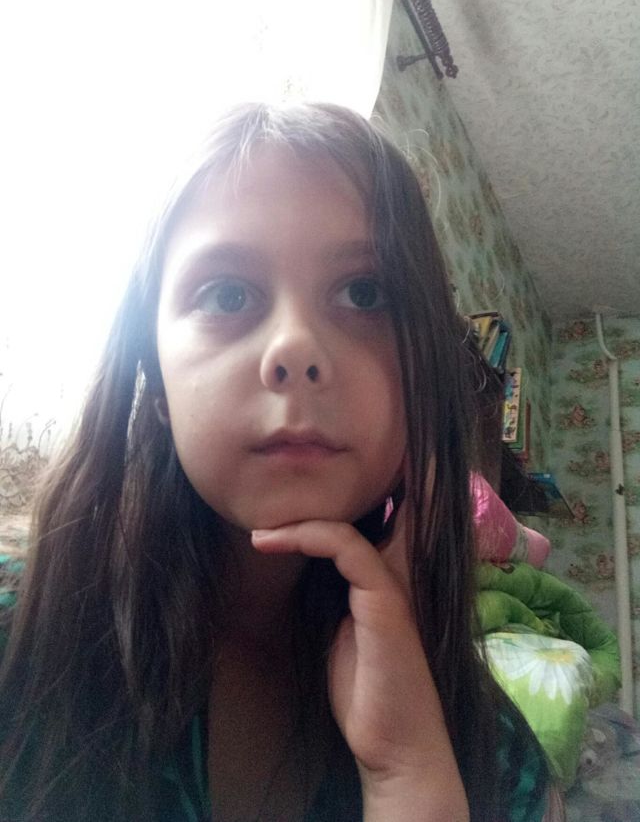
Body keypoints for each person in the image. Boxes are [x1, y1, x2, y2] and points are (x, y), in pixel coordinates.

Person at [0, 103, 552, 821]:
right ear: (156, 382)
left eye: (365, 293)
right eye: (227, 294)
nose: (295, 347)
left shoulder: (494, 753)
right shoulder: (20, 638)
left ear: (425, 379)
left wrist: (411, 773)